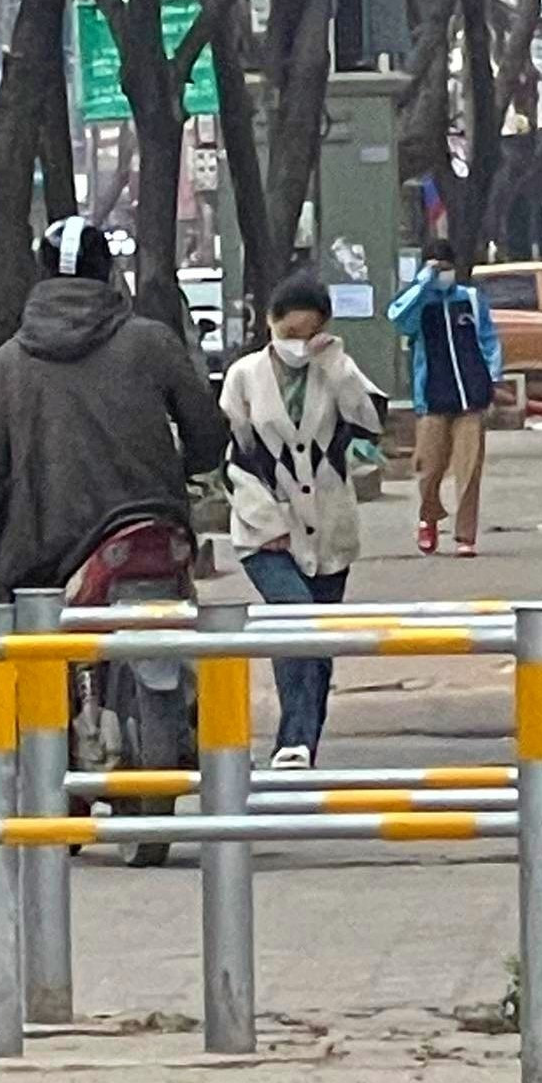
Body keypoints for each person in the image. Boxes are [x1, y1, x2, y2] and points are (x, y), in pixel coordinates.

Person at [0, 217, 225, 594]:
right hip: (149, 540)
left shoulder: (4, 366)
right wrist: (173, 473)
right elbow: (208, 434)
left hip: (43, 563)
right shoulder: (153, 343)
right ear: (108, 272)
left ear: (41, 275)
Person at [221, 276, 385, 769]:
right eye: (290, 333)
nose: (298, 344)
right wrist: (265, 520)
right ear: (270, 324)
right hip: (265, 534)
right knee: (295, 619)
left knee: (319, 641)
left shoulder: (335, 370)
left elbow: (371, 422)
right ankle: (292, 742)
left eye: (309, 334)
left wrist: (336, 366)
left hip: (330, 531)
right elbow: (233, 456)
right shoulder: (244, 377)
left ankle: (302, 745)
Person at [386, 239, 502, 558]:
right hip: (433, 398)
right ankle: (429, 516)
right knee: (429, 466)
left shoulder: (470, 299)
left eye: (446, 267)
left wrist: (491, 378)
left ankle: (465, 534)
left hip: (470, 397)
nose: (442, 273)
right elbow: (398, 318)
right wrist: (424, 283)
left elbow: (489, 340)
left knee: (469, 467)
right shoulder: (419, 304)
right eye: (436, 268)